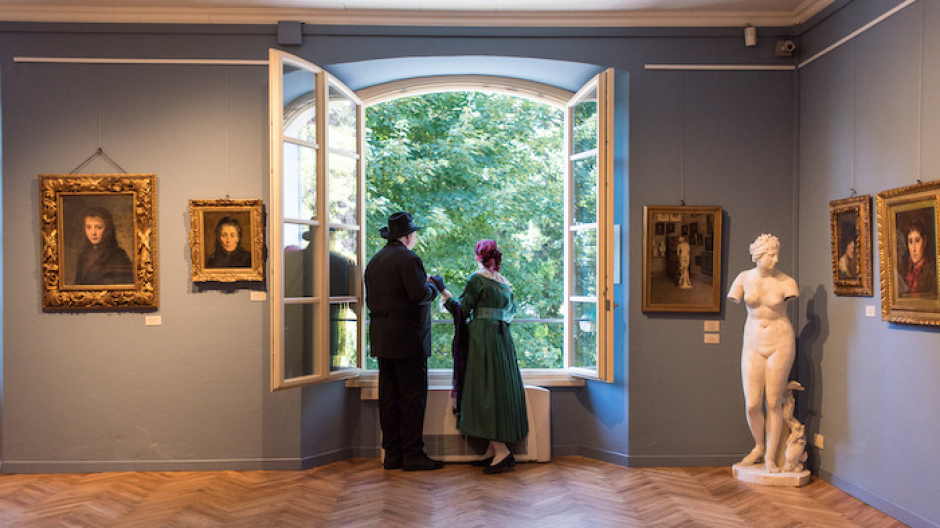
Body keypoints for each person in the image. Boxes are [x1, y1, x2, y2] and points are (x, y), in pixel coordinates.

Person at [436, 239, 528, 474]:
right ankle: (492, 449)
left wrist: (444, 292)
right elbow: (510, 313)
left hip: (482, 340)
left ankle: (502, 452)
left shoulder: (477, 279)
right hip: (502, 340)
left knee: (483, 389)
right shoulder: (505, 284)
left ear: (478, 257)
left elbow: (462, 310)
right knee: (496, 389)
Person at [364, 212, 443, 471]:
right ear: (408, 236)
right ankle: (413, 455)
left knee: (389, 396)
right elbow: (419, 294)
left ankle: (393, 454)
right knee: (413, 397)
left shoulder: (375, 261)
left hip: (382, 338)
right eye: (414, 233)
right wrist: (433, 285)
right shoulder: (409, 259)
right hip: (408, 339)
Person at [727, 234, 799, 473]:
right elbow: (735, 298)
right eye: (771, 255)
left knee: (773, 402)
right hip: (753, 343)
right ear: (758, 255)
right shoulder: (743, 279)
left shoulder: (787, 282)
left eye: (777, 254)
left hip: (781, 342)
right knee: (753, 404)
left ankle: (770, 455)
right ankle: (758, 446)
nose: (775, 260)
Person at [74, 206, 134, 285]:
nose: (93, 233)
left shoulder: (119, 256)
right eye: (88, 227)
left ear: (108, 229)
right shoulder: (83, 256)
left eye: (98, 227)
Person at [897, 219, 936, 296]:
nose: (914, 249)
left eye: (917, 241)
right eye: (910, 242)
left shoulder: (932, 272)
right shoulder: (904, 271)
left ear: (924, 242)